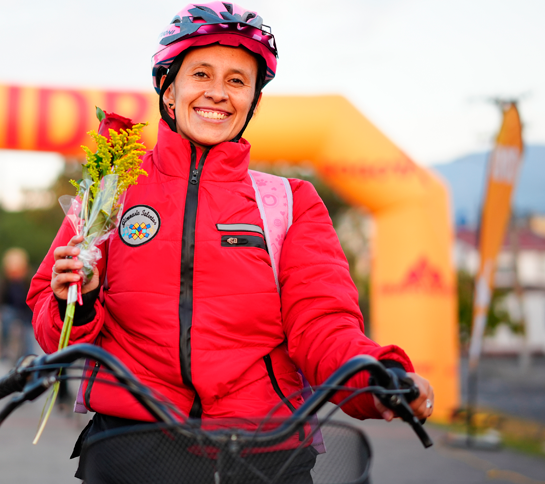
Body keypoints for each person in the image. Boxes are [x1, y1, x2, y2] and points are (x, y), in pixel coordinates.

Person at [27, 2, 434, 480]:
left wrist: (377, 378)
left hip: (264, 451)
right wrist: (80, 297)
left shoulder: (289, 201)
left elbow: (322, 323)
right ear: (168, 87)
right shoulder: (111, 188)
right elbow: (55, 331)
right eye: (201, 73)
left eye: (238, 81)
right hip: (134, 446)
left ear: (253, 101)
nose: (218, 93)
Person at [0, 248, 35, 361]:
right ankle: (4, 350)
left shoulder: (29, 279)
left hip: (27, 311)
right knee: (5, 317)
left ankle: (29, 355)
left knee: (28, 334)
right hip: (11, 310)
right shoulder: (4, 281)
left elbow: (36, 295)